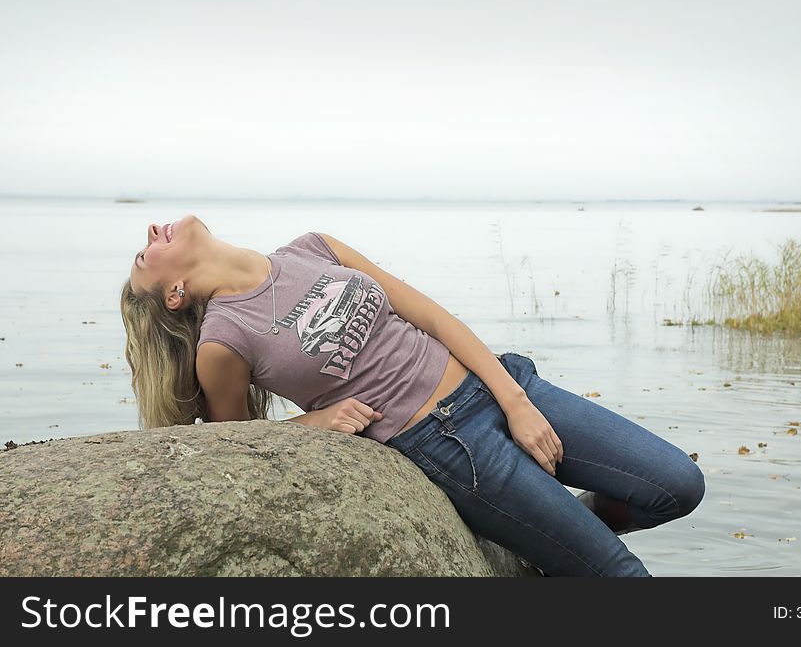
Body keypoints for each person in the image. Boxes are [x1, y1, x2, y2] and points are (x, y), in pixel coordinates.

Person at [120, 215, 705, 577]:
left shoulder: (311, 247)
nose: (153, 231)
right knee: (622, 577)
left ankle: (564, 530)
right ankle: (564, 547)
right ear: (174, 293)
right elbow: (235, 437)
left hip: (501, 385)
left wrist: (515, 401)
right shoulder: (222, 339)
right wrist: (312, 424)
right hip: (450, 445)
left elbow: (426, 312)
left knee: (678, 485)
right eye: (147, 256)